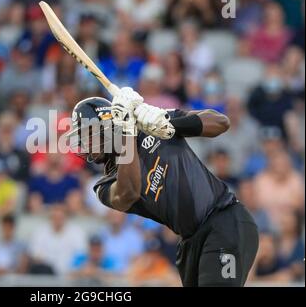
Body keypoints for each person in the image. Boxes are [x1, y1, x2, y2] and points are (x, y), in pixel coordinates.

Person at [66, 86, 259, 286]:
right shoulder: (104, 186)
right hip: (190, 242)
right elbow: (128, 193)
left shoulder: (152, 125)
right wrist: (127, 131)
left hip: (224, 220)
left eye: (89, 134)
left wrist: (165, 120)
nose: (84, 143)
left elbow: (220, 122)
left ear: (107, 127)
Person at [28, 204, 87, 275]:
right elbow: (35, 255)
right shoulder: (40, 232)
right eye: (55, 217)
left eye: (60, 217)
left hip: (71, 276)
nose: (58, 220)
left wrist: (73, 270)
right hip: (46, 275)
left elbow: (81, 255)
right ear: (50, 218)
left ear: (66, 217)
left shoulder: (77, 233)